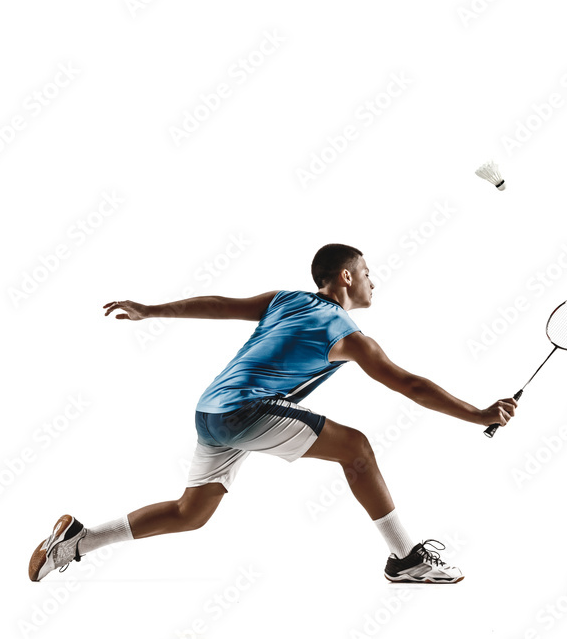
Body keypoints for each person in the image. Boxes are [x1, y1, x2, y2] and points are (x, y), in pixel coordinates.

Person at [29, 243, 517, 584]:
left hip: (209, 410)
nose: (373, 280)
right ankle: (406, 558)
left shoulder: (286, 300)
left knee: (190, 513)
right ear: (346, 276)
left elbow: (222, 305)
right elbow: (409, 384)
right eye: (367, 272)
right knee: (357, 448)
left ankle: (76, 541)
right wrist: (478, 414)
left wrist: (152, 310)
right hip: (244, 413)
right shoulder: (348, 335)